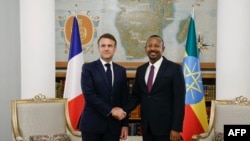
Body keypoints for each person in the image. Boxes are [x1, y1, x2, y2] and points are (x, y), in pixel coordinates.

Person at [113, 35, 186, 141]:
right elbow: (136, 97)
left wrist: (176, 128)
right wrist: (123, 110)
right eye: (150, 46)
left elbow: (179, 101)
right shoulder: (141, 70)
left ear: (163, 49)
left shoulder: (174, 69)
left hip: (167, 129)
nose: (153, 49)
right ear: (145, 48)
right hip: (147, 128)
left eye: (157, 46)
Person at [78, 33, 129, 141]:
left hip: (113, 127)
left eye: (110, 46)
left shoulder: (121, 71)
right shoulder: (88, 68)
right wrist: (111, 110)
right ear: (98, 48)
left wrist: (124, 124)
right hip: (92, 125)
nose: (106, 49)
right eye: (103, 46)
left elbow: (124, 99)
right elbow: (89, 95)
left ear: (115, 49)